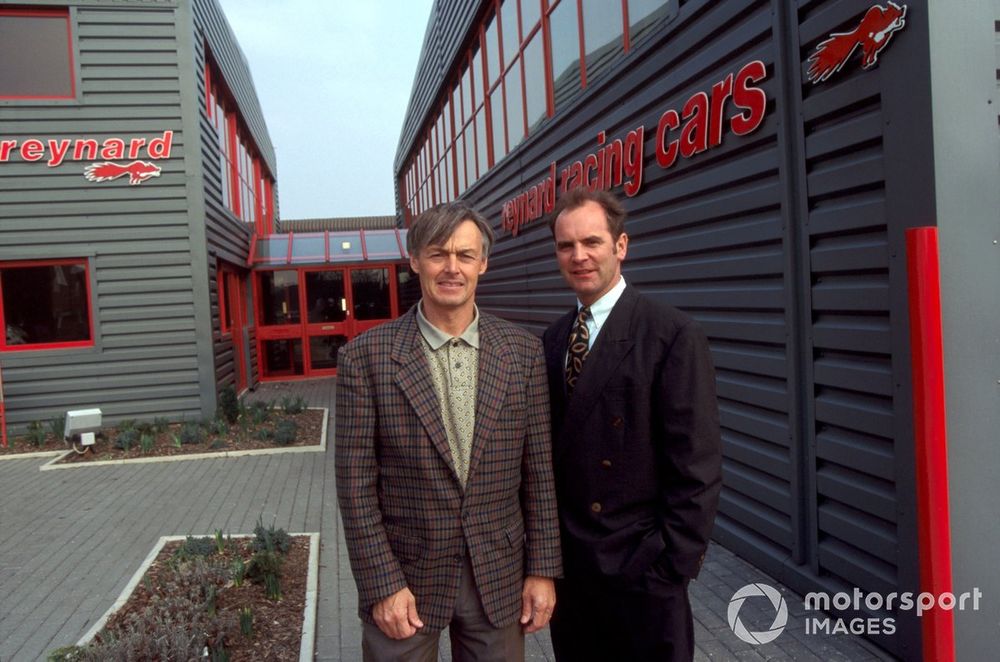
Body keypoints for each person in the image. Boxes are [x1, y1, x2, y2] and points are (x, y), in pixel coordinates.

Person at [336, 202, 562, 662]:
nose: (452, 267)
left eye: (465, 254)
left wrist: (542, 571)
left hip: (497, 580)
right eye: (438, 254)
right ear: (415, 260)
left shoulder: (523, 353)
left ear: (483, 262)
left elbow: (539, 472)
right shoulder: (366, 358)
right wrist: (382, 584)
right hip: (405, 583)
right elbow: (355, 488)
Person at [542, 187, 722, 661]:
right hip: (574, 577)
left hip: (642, 576)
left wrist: (669, 566)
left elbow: (697, 466)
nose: (579, 256)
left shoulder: (670, 334)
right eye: (566, 246)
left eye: (592, 242)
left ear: (621, 246)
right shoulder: (554, 339)